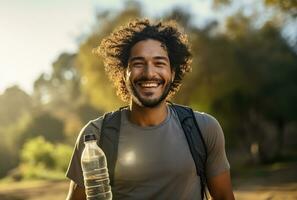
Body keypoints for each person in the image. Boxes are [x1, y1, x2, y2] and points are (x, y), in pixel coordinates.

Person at [66, 18, 235, 200]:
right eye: (138, 63)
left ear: (173, 72)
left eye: (159, 63)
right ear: (123, 73)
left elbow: (224, 196)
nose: (149, 73)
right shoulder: (95, 137)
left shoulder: (203, 128)